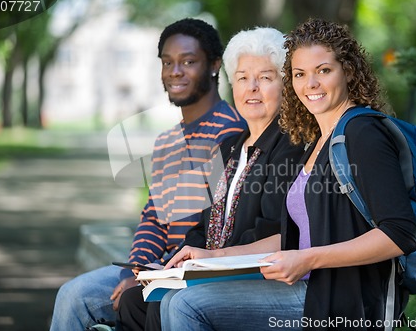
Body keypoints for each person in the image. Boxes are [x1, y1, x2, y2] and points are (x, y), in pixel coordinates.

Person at [162, 18, 416, 331]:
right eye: (300, 74)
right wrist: (213, 255)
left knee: (187, 305)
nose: (310, 83)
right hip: (306, 287)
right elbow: (293, 236)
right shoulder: (319, 139)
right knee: (171, 299)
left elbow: (400, 233)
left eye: (323, 70)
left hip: (343, 302)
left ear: (348, 70)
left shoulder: (363, 132)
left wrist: (308, 259)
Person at [49, 18, 248, 331]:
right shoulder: (167, 141)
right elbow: (154, 215)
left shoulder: (233, 133)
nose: (175, 71)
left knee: (81, 299)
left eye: (188, 61)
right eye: (167, 62)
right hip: (155, 267)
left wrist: (152, 276)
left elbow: (215, 224)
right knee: (73, 294)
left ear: (214, 66)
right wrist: (134, 271)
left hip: (196, 271)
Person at [115, 26, 305, 331]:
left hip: (254, 276)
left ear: (285, 85)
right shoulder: (228, 148)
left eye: (265, 77)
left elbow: (277, 232)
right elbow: (204, 224)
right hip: (211, 268)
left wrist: (211, 258)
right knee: (135, 300)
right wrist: (177, 260)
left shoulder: (290, 148)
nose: (252, 88)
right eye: (243, 78)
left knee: (162, 302)